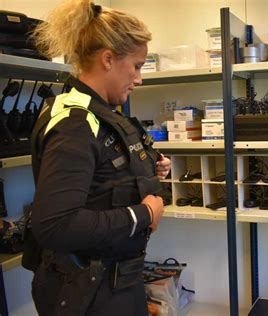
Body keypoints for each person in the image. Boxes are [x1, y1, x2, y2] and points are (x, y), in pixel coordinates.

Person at [21, 1, 171, 315]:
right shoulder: (75, 121)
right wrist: (143, 214)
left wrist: (145, 172)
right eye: (137, 65)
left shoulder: (99, 113)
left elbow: (101, 177)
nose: (139, 78)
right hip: (85, 291)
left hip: (113, 282)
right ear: (107, 59)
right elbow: (56, 225)